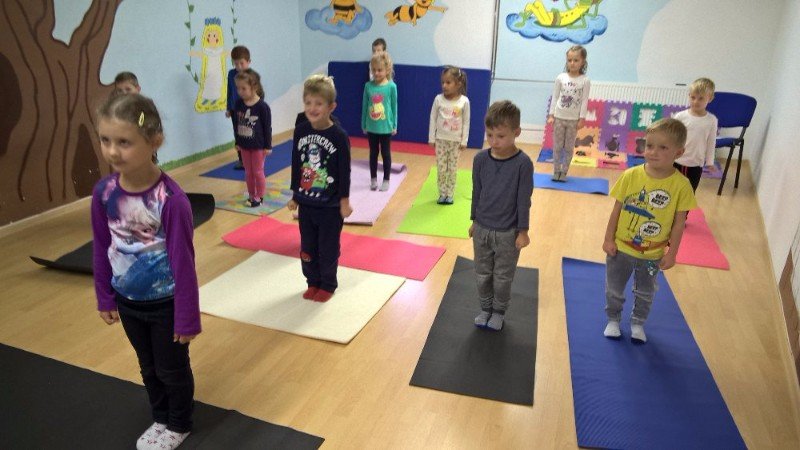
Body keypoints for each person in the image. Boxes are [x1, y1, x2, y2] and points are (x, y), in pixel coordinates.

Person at [91, 93, 200, 450]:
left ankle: (179, 423)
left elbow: (183, 263)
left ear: (154, 141)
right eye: (105, 140)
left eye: (124, 142)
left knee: (171, 369)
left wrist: (187, 317)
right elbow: (101, 245)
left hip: (166, 304)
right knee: (148, 366)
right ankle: (161, 417)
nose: (112, 151)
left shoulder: (171, 200)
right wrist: (105, 295)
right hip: (128, 302)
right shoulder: (104, 192)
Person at [602, 118, 697, 343]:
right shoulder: (631, 176)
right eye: (650, 145)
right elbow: (617, 209)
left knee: (646, 291)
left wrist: (672, 253)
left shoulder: (682, 185)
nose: (653, 152)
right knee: (614, 288)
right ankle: (613, 319)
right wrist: (608, 239)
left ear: (679, 152)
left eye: (663, 147)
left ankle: (638, 322)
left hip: (653, 255)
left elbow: (679, 223)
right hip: (621, 249)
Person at [288, 74, 352, 303]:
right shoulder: (301, 131)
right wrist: (295, 194)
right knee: (307, 247)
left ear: (331, 107)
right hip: (306, 204)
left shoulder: (339, 136)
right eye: (308, 103)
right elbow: (297, 162)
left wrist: (344, 200)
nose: (312, 108)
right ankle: (312, 281)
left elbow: (344, 170)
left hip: (330, 206)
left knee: (327, 248)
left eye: (318, 103)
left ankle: (327, 284)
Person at [470, 100, 533, 331]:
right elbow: (477, 191)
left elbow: (524, 199)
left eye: (501, 136)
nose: (494, 141)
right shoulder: (480, 160)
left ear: (516, 132)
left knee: (502, 277)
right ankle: (485, 308)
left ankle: (498, 311)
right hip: (482, 229)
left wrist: (523, 231)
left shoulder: (523, 164)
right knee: (482, 274)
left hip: (508, 233)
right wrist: (474, 221)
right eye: (489, 135)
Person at [547, 45, 591, 182]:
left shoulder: (585, 80)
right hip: (559, 118)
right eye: (569, 60)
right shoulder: (561, 77)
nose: (572, 63)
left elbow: (584, 100)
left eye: (576, 60)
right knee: (557, 146)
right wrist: (551, 115)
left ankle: (564, 172)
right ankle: (556, 171)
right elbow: (555, 97)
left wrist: (582, 118)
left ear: (582, 62)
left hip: (573, 120)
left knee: (568, 147)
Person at [429, 65, 470, 205]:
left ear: (458, 84)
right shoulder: (438, 99)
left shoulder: (464, 101)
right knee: (441, 169)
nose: (444, 86)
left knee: (452, 169)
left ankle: (450, 194)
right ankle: (442, 194)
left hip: (455, 142)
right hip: (440, 140)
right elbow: (433, 118)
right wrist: (431, 138)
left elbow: (466, 122)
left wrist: (464, 140)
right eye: (442, 82)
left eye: (448, 82)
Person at [233, 68, 272, 207]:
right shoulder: (238, 104)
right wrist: (237, 141)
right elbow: (237, 124)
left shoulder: (262, 107)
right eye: (238, 88)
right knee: (248, 172)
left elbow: (267, 127)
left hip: (258, 146)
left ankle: (259, 196)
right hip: (244, 145)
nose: (240, 92)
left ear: (254, 87)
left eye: (244, 88)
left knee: (257, 171)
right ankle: (251, 194)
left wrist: (268, 146)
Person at [673, 77, 718, 192]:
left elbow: (711, 142)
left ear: (710, 98)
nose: (696, 101)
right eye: (693, 97)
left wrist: (710, 162)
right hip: (677, 160)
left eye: (701, 98)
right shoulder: (680, 116)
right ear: (689, 96)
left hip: (696, 164)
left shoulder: (712, 120)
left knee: (689, 192)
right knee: (672, 190)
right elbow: (672, 138)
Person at [361, 51, 397, 191]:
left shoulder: (391, 87)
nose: (376, 73)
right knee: (373, 153)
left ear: (387, 70)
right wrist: (364, 124)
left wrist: (394, 125)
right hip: (372, 127)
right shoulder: (368, 86)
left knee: (386, 153)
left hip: (386, 127)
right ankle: (373, 179)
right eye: (374, 70)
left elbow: (394, 107)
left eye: (380, 70)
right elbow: (365, 106)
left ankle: (386, 179)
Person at [226, 45, 252, 170]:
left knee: (248, 134)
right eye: (236, 64)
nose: (239, 67)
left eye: (242, 63)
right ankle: (241, 159)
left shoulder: (251, 76)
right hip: (234, 110)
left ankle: (251, 158)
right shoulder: (231, 74)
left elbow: (258, 94)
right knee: (238, 135)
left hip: (248, 110)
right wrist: (228, 108)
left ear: (248, 62)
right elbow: (229, 91)